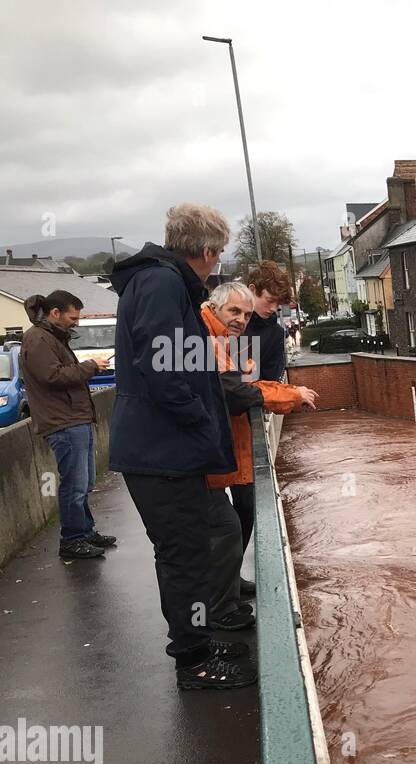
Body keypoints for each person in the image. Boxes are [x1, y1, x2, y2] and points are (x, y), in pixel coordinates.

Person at [109, 203, 255, 690]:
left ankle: (199, 641)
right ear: (208, 251)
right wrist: (198, 420)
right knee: (184, 557)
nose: (217, 265)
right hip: (162, 452)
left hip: (166, 450)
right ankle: (193, 663)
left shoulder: (158, 281)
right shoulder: (163, 283)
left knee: (197, 545)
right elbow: (164, 368)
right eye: (219, 256)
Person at [199, 281, 316, 629]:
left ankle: (226, 592)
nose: (241, 319)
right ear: (215, 306)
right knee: (223, 528)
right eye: (234, 311)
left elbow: (248, 383)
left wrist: (287, 392)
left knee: (231, 522)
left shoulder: (224, 339)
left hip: (212, 450)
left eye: (246, 314)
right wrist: (289, 395)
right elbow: (234, 392)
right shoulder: (206, 339)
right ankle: (218, 613)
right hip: (196, 453)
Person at [19, 291, 115, 560]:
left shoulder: (50, 336)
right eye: (74, 317)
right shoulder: (38, 338)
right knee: (74, 484)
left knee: (84, 483)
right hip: (63, 422)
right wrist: (90, 366)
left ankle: (84, 531)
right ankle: (72, 539)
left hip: (74, 419)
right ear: (55, 313)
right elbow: (53, 376)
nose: (77, 323)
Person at [229, 261, 294, 577]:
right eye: (269, 301)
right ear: (252, 290)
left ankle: (231, 579)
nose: (273, 309)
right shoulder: (224, 317)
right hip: (211, 427)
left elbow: (269, 383)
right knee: (213, 517)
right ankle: (222, 587)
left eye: (278, 304)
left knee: (245, 508)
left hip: (244, 428)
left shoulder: (274, 333)